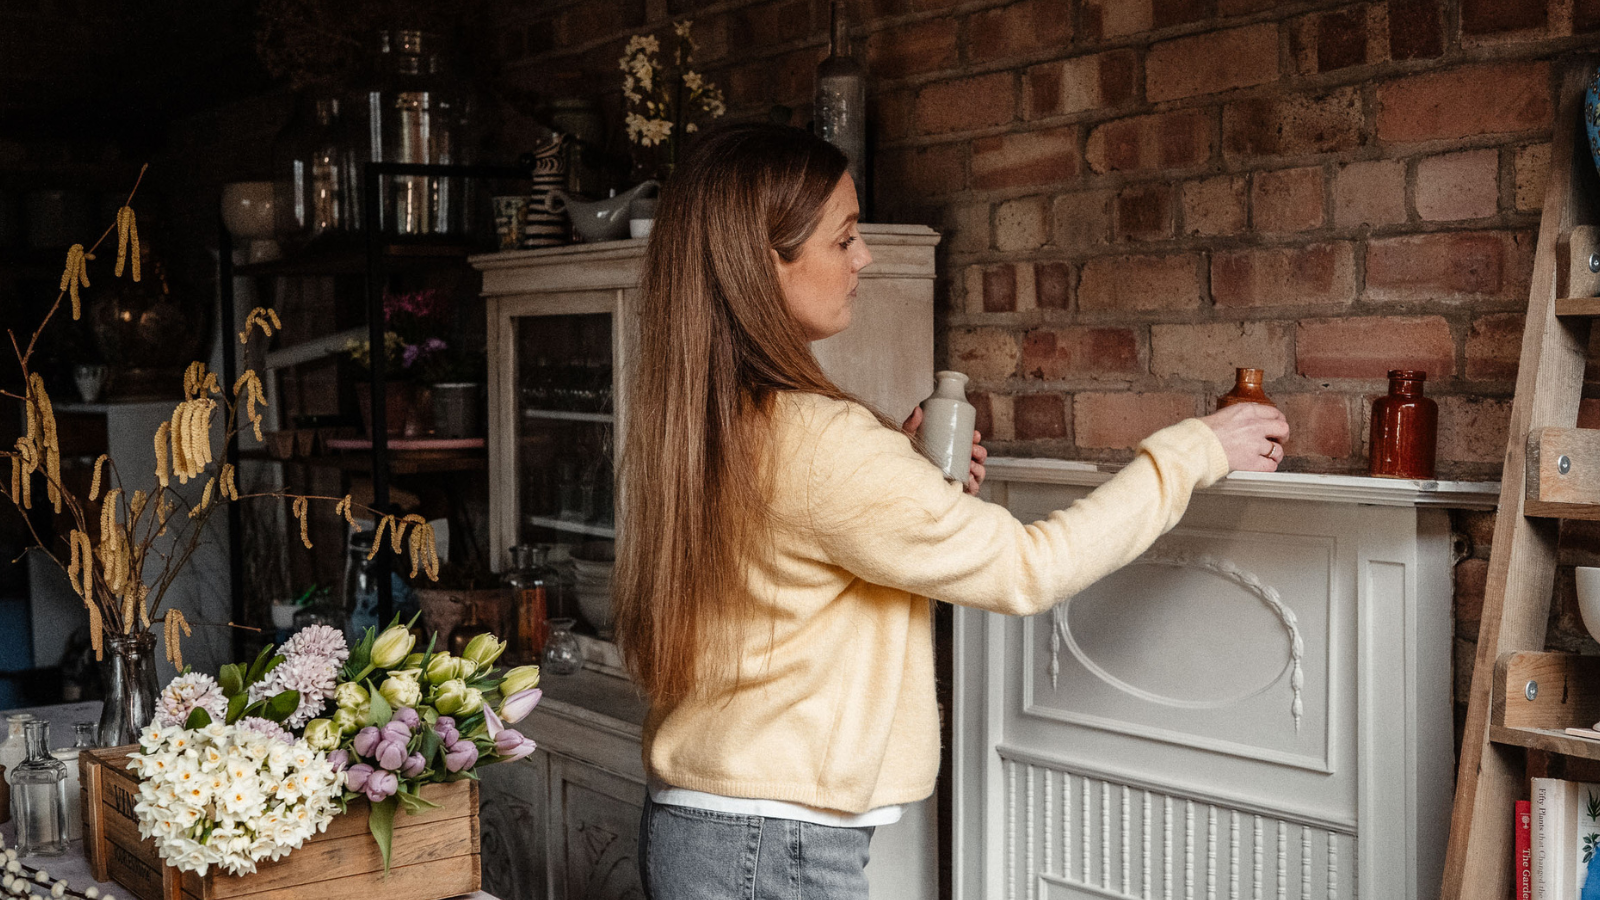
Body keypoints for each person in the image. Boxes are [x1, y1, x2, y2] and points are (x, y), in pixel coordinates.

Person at [615, 122, 1289, 900]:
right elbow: (1029, 569)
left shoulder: (710, 423)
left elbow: (793, 557)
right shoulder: (819, 443)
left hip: (701, 825)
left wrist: (896, 472)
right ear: (769, 262)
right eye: (844, 239)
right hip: (771, 845)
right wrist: (1197, 449)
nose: (863, 258)